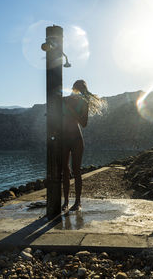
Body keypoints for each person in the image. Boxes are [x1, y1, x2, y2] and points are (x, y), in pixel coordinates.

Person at [62, 80, 104, 211]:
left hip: (76, 138)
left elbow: (84, 123)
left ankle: (77, 202)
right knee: (65, 170)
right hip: (63, 138)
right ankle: (66, 202)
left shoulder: (83, 102)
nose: (77, 91)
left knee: (76, 170)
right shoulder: (66, 99)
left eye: (78, 89)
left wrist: (71, 110)